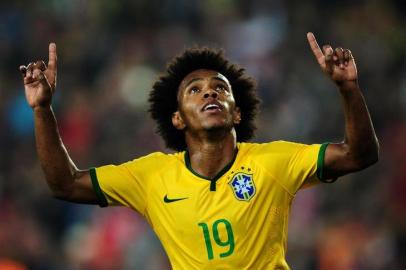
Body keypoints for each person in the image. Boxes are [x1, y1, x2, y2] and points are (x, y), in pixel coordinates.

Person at [19, 32, 379, 269]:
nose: (210, 93)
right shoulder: (152, 176)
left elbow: (359, 155)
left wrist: (348, 88)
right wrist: (42, 110)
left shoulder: (274, 161)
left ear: (237, 111)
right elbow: (64, 184)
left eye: (220, 89)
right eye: (195, 89)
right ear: (177, 118)